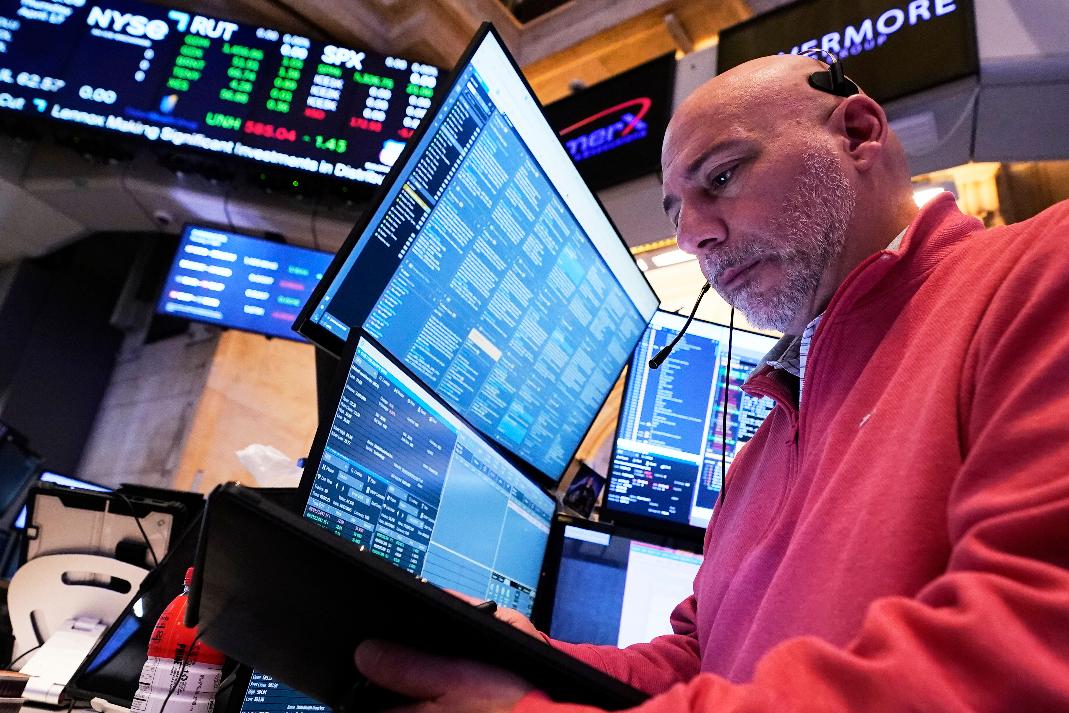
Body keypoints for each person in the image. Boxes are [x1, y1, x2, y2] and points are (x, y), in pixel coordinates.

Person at [353, 53, 1069, 712]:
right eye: (676, 213)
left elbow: (1025, 647)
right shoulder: (764, 441)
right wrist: (535, 663)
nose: (694, 235)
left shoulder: (1041, 271)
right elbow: (703, 663)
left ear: (855, 132)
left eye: (721, 177)